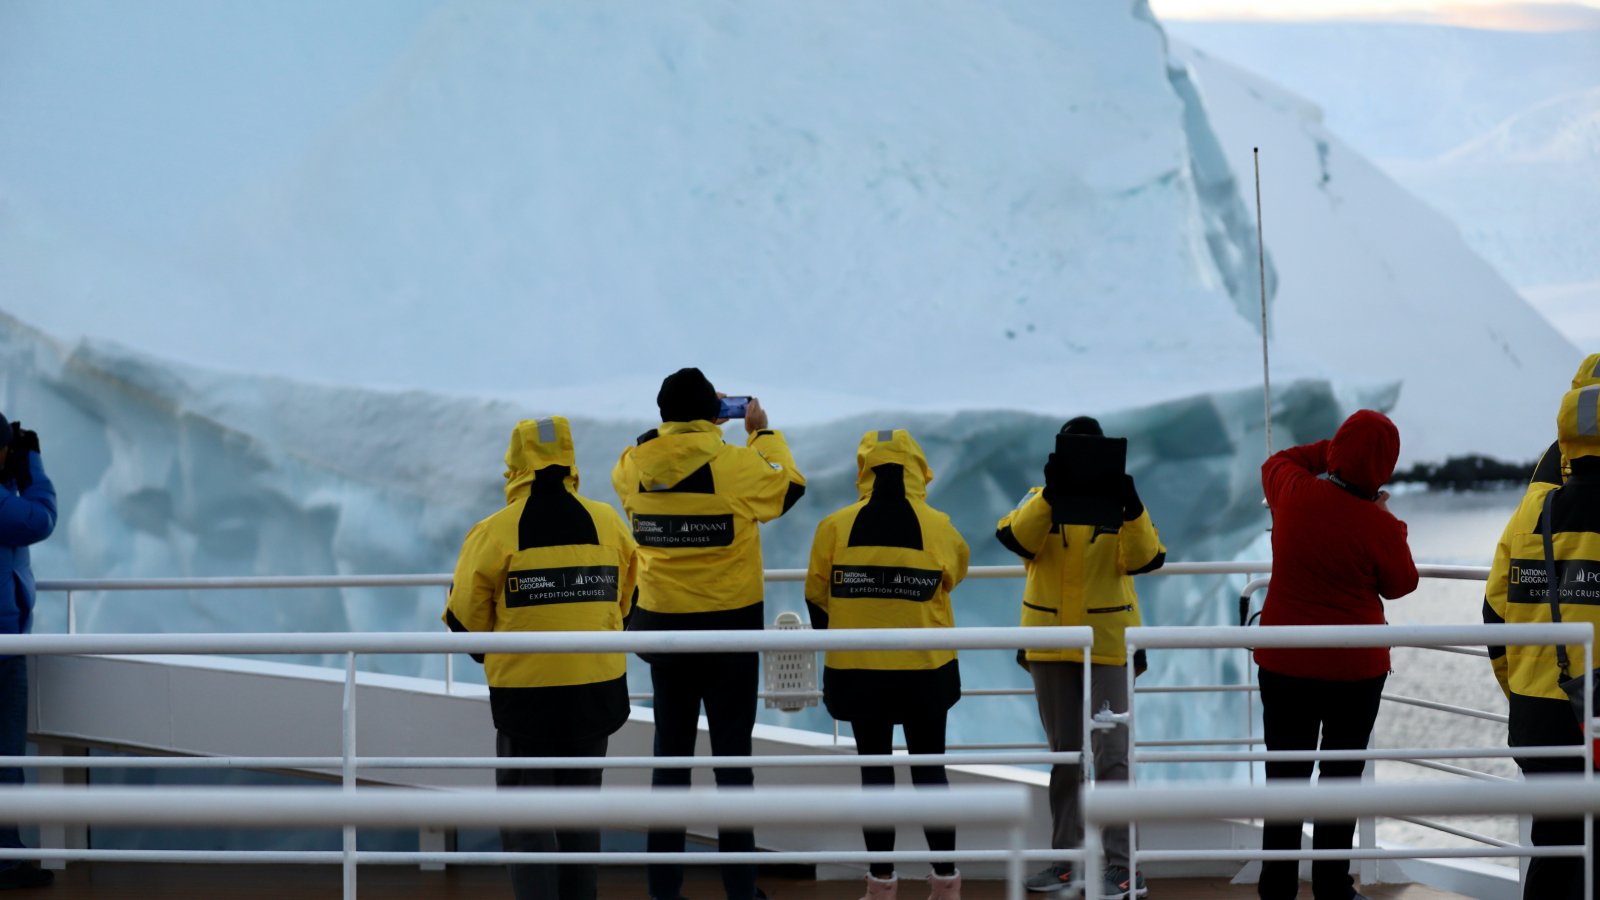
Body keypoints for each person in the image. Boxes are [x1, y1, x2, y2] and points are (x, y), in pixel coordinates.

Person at [611, 368, 805, 900]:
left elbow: (654, 454)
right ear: (713, 414)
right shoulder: (735, 465)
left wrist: (687, 426)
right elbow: (789, 486)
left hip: (664, 631)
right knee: (733, 764)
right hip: (728, 631)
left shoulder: (631, 466)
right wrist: (762, 433)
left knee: (670, 763)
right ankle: (741, 891)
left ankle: (663, 891)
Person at [443, 416, 638, 900]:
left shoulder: (495, 532)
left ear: (515, 463)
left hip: (527, 697)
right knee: (580, 816)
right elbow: (627, 603)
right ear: (569, 459)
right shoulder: (608, 523)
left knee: (526, 819)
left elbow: (465, 622)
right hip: (596, 692)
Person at [995, 416, 1163, 900]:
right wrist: (1052, 493)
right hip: (1050, 645)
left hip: (1109, 645)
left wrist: (1131, 505)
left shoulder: (1123, 508)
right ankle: (1067, 864)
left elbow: (1147, 557)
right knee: (1065, 757)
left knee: (1112, 758)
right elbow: (1017, 539)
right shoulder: (1037, 500)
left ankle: (1125, 868)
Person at [1254, 409, 1417, 900]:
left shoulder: (1293, 492)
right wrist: (1385, 517)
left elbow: (1277, 461)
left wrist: (1337, 453)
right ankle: (1331, 887)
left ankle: (1276, 888)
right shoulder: (1378, 525)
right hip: (1355, 670)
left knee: (1285, 776)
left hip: (1286, 663)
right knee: (1341, 778)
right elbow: (1402, 583)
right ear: (1384, 468)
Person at [804, 429, 971, 900]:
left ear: (865, 469)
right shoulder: (938, 526)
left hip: (859, 672)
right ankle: (946, 884)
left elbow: (816, 593)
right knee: (930, 773)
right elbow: (954, 574)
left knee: (875, 776)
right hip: (925, 670)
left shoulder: (835, 526)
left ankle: (881, 886)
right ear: (918, 468)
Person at [1483, 354, 1600, 900]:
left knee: (1553, 848)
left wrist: (1520, 691)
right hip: (1592, 716)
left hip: (1536, 714)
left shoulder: (1532, 510)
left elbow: (1493, 611)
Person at [0, 414, 56, 891]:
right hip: (3, 647)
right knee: (4, 758)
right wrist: (31, 465)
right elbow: (38, 519)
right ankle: (5, 858)